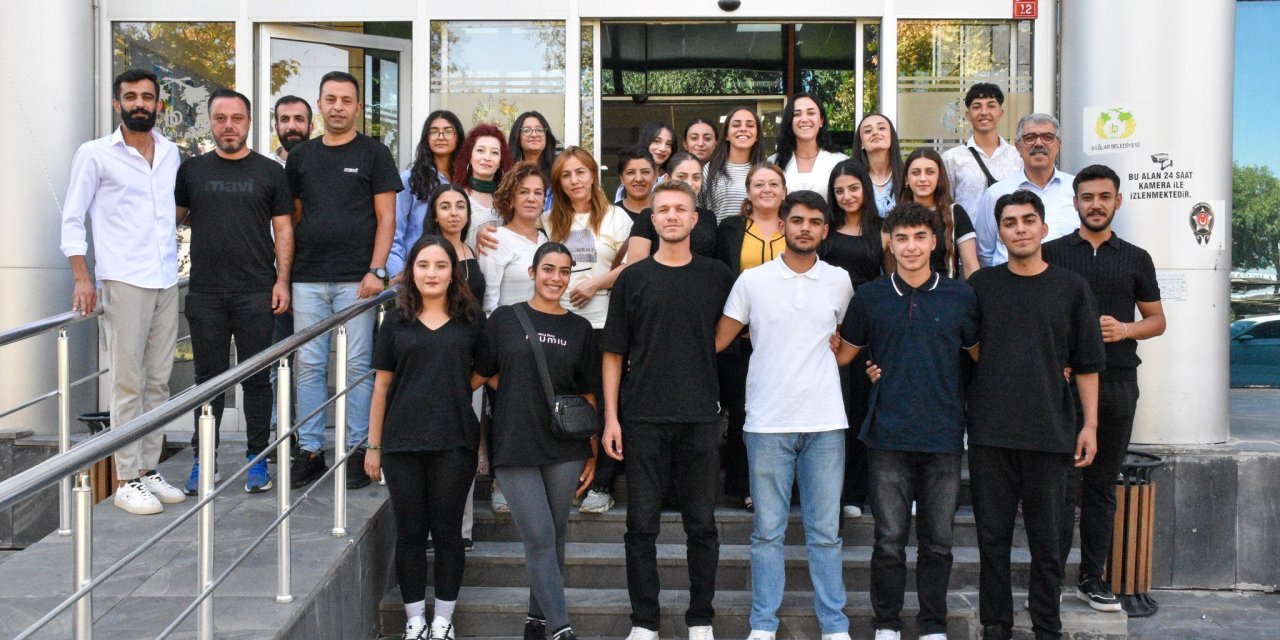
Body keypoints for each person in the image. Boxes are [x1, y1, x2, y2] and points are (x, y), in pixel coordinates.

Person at [836, 201, 980, 640]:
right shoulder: (870, 297)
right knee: (888, 540)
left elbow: (979, 358)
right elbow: (844, 356)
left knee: (938, 542)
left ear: (935, 241)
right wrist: (867, 365)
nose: (911, 246)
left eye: (920, 237)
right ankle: (886, 624)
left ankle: (933, 625)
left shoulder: (961, 296)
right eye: (902, 238)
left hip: (943, 434)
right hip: (887, 435)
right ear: (890, 244)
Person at [966, 189, 1106, 640]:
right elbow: (961, 350)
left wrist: (1090, 425)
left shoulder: (1071, 288)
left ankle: (1047, 624)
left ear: (1044, 228)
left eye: (1028, 220)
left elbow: (1087, 363)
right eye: (1009, 222)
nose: (1020, 229)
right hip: (990, 433)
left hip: (1050, 432)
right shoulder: (981, 287)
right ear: (999, 232)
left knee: (1049, 542)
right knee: (992, 540)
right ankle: (996, 623)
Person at [716, 190, 854, 640]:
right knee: (767, 533)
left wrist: (846, 350)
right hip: (767, 423)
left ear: (825, 230)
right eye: (797, 220)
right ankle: (762, 625)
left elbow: (850, 341)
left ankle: (834, 626)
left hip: (825, 422)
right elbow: (718, 341)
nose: (805, 228)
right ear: (782, 225)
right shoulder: (752, 281)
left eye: (814, 222)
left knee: (826, 534)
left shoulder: (840, 281)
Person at [601, 180, 735, 640]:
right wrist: (612, 418)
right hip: (642, 416)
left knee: (702, 526)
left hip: (700, 416)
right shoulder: (632, 278)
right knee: (641, 527)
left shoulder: (718, 276)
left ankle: (701, 619)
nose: (672, 215)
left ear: (695, 219)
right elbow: (613, 353)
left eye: (681, 208)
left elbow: (736, 330)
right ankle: (644, 622)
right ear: (652, 219)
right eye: (664, 210)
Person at [61, 68, 186, 514]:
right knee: (128, 382)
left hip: (166, 279)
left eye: (147, 97)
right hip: (123, 280)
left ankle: (148, 468)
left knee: (159, 381)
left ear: (159, 105)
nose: (139, 104)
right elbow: (72, 217)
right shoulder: (95, 154)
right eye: (131, 97)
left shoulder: (171, 153)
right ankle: (125, 477)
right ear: (117, 104)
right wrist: (82, 277)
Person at [1043, 164, 1165, 613]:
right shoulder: (1052, 253)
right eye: (1088, 197)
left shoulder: (1136, 258)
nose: (1096, 205)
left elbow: (1157, 320)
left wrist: (1126, 330)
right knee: (1057, 487)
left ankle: (1091, 578)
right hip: (1062, 386)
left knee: (1100, 487)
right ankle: (1049, 578)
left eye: (1104, 197)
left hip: (1117, 383)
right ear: (1075, 202)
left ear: (1118, 201)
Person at [475, 243, 600, 640]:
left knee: (555, 534)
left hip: (565, 446)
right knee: (540, 535)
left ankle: (537, 622)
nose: (556, 278)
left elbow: (588, 394)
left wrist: (593, 452)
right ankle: (562, 630)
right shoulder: (504, 319)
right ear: (532, 272)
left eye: (564, 271)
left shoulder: (580, 329)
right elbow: (479, 374)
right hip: (515, 443)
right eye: (548, 269)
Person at [365, 235, 486, 640]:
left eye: (440, 265)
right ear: (411, 271)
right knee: (411, 534)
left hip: (455, 442)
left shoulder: (472, 319)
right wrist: (373, 445)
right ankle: (415, 620)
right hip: (402, 444)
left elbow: (487, 369)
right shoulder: (395, 320)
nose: (431, 273)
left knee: (449, 534)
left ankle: (443, 621)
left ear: (453, 272)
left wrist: (454, 389)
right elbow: (381, 387)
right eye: (423, 265)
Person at [286, 70, 402, 490]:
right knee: (309, 365)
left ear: (358, 107)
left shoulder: (374, 153)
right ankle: (310, 450)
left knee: (357, 366)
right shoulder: (300, 157)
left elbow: (387, 218)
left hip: (358, 280)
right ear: (320, 104)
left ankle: (356, 448)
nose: (338, 107)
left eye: (346, 100)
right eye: (330, 99)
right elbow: (292, 217)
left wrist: (376, 269)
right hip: (308, 278)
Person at [175, 88, 294, 495]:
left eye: (237, 118)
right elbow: (167, 222)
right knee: (207, 382)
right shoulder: (191, 171)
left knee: (257, 380)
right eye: (221, 118)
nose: (229, 126)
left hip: (256, 292)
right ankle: (203, 461)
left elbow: (284, 230)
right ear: (210, 122)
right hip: (205, 293)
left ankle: (257, 460)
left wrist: (282, 281)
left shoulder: (270, 172)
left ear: (249, 122)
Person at [715, 162, 788, 512]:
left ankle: (785, 484)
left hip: (786, 342)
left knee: (783, 414)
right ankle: (745, 486)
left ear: (784, 191)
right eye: (759, 184)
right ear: (748, 192)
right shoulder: (730, 229)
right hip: (740, 339)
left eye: (773, 183)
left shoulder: (796, 226)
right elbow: (721, 278)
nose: (766, 189)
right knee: (744, 415)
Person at [821, 159, 886, 518]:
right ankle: (827, 489)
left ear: (866, 188)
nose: (847, 196)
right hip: (829, 329)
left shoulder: (883, 229)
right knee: (831, 410)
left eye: (853, 188)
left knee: (860, 409)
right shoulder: (825, 230)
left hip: (868, 329)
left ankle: (856, 492)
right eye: (839, 191)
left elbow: (891, 282)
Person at [542, 147, 633, 330]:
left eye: (580, 172)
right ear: (559, 183)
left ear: (592, 175)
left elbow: (632, 267)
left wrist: (595, 284)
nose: (574, 180)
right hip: (559, 320)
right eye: (566, 175)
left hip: (605, 320)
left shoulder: (616, 216)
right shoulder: (547, 220)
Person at [974, 113, 1077, 267]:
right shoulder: (996, 193)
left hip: (1067, 279)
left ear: (1058, 145)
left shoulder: (1077, 190)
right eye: (1030, 138)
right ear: (1018, 147)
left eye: (1047, 137)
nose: (1039, 143)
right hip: (1009, 280)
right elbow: (984, 253)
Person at [389, 110, 466, 278]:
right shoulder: (410, 179)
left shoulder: (466, 180)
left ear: (458, 136)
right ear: (426, 137)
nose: (441, 137)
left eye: (448, 131)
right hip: (420, 272)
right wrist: (398, 272)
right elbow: (394, 231)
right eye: (434, 131)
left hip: (461, 268)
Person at [941, 83, 1023, 228]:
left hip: (1010, 239)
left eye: (991, 106)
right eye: (977, 107)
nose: (984, 112)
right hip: (967, 239)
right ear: (968, 115)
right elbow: (945, 205)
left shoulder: (1018, 157)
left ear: (1001, 113)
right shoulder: (952, 159)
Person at [479, 162, 550, 316]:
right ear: (511, 199)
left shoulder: (547, 239)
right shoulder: (495, 240)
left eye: (538, 193)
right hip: (507, 327)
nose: (531, 199)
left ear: (544, 200)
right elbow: (488, 304)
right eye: (524, 192)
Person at [623, 152, 719, 262]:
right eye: (682, 177)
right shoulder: (647, 216)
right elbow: (635, 267)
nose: (689, 183)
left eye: (696, 177)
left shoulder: (709, 217)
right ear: (667, 179)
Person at [899, 148, 979, 279]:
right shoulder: (897, 216)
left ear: (939, 177)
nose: (922, 178)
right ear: (906, 179)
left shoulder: (955, 213)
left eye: (930, 172)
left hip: (947, 289)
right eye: (916, 173)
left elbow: (971, 267)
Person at [770, 93, 848, 199]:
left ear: (821, 121)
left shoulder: (840, 161)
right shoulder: (774, 162)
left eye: (811, 113)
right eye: (797, 114)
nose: (804, 119)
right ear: (790, 122)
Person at [453, 124, 514, 248]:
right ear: (470, 156)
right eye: (480, 150)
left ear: (500, 161)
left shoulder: (508, 198)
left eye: (494, 153)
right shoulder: (457, 196)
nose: (487, 158)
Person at [702, 106, 765, 223]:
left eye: (750, 125)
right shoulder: (710, 169)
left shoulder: (766, 171)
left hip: (756, 234)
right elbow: (698, 210)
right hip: (718, 234)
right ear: (726, 135)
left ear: (757, 136)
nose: (743, 129)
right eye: (736, 125)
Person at [849, 113, 905, 216]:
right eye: (868, 131)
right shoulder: (851, 177)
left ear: (891, 136)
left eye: (881, 128)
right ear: (861, 143)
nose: (875, 133)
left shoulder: (907, 176)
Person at [613, 121, 676, 202]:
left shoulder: (674, 179)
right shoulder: (624, 187)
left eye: (669, 144)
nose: (663, 148)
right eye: (657, 141)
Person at [508, 111, 558, 210]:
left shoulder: (558, 172)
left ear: (546, 137)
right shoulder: (508, 174)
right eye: (527, 130)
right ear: (518, 138)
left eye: (539, 130)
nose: (534, 134)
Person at [614, 146, 657, 221]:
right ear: (622, 179)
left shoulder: (666, 213)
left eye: (645, 172)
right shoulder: (611, 215)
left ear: (655, 177)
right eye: (630, 172)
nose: (639, 179)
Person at [272, 95, 313, 165]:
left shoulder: (325, 164)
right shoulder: (263, 167)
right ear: (276, 127)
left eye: (299, 119)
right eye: (284, 119)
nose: (292, 126)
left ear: (311, 127)